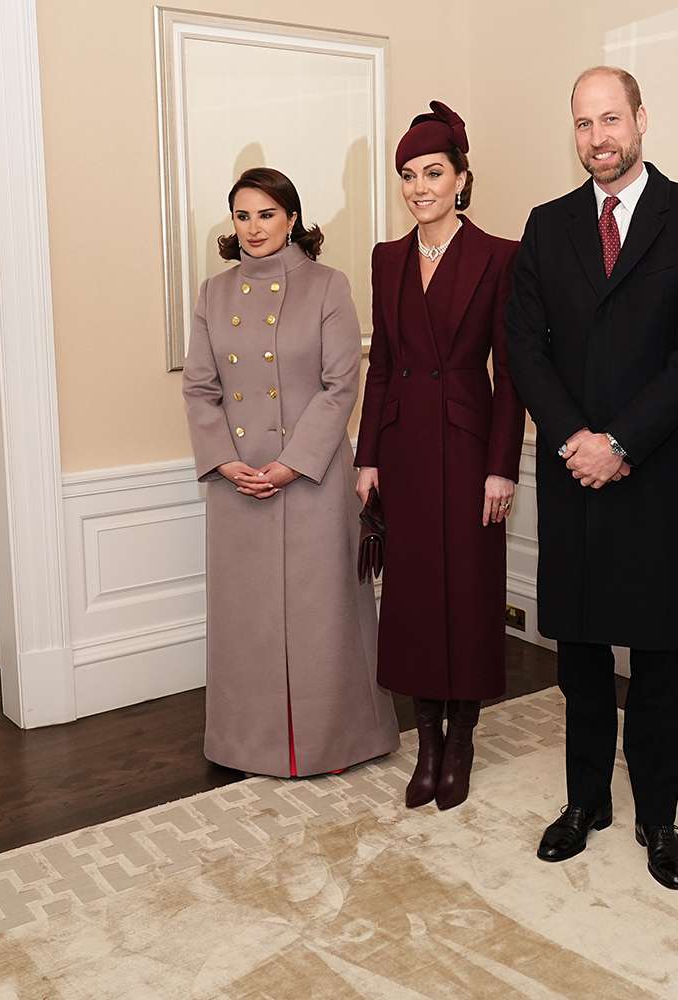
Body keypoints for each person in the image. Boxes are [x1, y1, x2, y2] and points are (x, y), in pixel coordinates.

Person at [506, 67, 678, 891]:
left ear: (641, 119)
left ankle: (658, 818)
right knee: (581, 652)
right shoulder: (547, 225)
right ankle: (583, 803)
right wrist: (575, 438)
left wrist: (623, 441)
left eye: (610, 119)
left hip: (658, 470)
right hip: (573, 471)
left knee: (659, 659)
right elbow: (524, 346)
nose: (597, 137)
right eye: (582, 124)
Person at [183, 167, 400, 778]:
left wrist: (290, 464)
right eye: (243, 216)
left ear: (293, 219)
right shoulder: (212, 294)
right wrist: (226, 461)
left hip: (313, 476)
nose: (253, 228)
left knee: (325, 613)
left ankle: (341, 741)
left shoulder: (328, 286)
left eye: (266, 214)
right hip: (238, 483)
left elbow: (340, 386)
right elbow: (200, 390)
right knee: (246, 619)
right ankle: (245, 744)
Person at [356, 101, 524, 811]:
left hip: (468, 442)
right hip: (401, 447)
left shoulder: (500, 256)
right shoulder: (387, 258)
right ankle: (425, 739)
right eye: (407, 175)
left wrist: (503, 466)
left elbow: (512, 372)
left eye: (432, 172)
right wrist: (367, 456)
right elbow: (382, 362)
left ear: (461, 178)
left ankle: (462, 740)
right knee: (416, 597)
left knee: (469, 594)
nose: (418, 186)